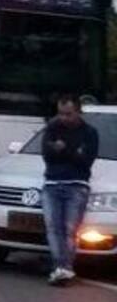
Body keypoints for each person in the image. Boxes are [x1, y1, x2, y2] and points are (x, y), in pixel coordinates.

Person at [41, 93, 100, 285]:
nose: (64, 118)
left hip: (76, 185)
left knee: (69, 228)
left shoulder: (89, 133)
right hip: (52, 183)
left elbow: (85, 162)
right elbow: (47, 155)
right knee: (53, 227)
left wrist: (63, 150)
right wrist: (71, 152)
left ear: (78, 112)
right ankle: (60, 267)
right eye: (61, 114)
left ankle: (64, 267)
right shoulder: (52, 127)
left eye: (68, 114)